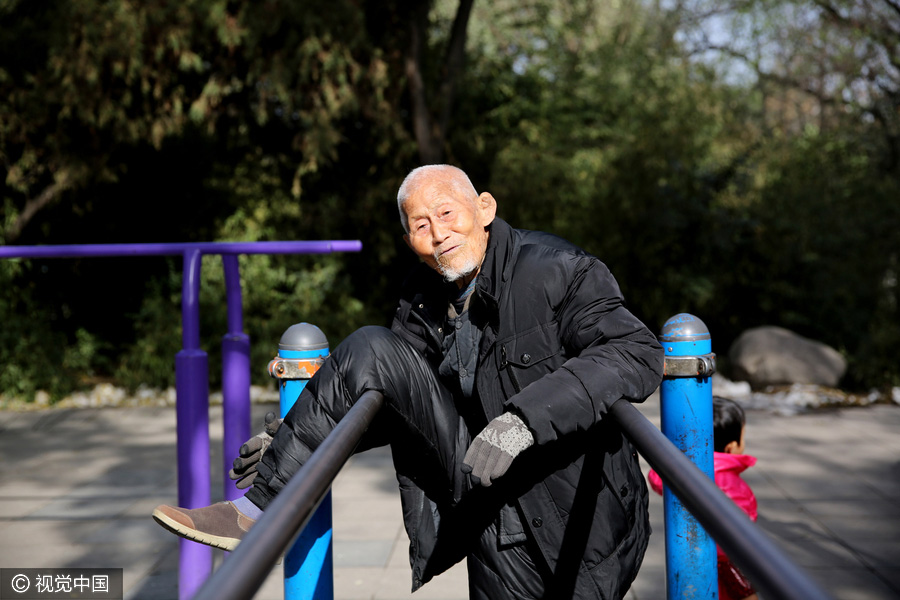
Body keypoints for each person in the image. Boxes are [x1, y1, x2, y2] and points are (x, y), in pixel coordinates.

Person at [153, 164, 664, 599]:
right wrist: (292, 439)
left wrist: (522, 421)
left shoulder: (557, 271)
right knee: (371, 347)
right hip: (490, 510)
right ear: (408, 241)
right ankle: (257, 509)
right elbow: (397, 403)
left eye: (446, 213)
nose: (439, 233)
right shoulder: (421, 300)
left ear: (484, 208)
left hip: (580, 513)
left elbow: (636, 352)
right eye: (421, 225)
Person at [647, 396, 759, 600]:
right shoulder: (734, 487)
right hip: (727, 566)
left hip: (689, 558)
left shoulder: (685, 471)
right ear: (732, 447)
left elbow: (656, 478)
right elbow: (738, 533)